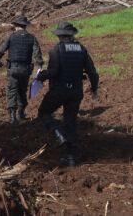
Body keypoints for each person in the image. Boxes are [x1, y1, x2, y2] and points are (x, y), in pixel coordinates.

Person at [36, 21, 99, 167]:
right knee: (70, 122)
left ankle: (58, 133)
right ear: (71, 35)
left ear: (59, 36)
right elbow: (92, 73)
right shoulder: (82, 50)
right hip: (76, 92)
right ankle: (71, 158)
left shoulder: (56, 50)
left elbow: (53, 72)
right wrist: (94, 89)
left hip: (59, 90)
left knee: (43, 112)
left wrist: (40, 76)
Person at [0, 15, 43, 125]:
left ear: (16, 25)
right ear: (25, 26)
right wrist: (39, 68)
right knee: (22, 91)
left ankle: (12, 117)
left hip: (13, 69)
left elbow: (0, 51)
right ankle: (20, 113)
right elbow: (38, 56)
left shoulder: (11, 37)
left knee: (12, 91)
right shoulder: (32, 38)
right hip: (25, 70)